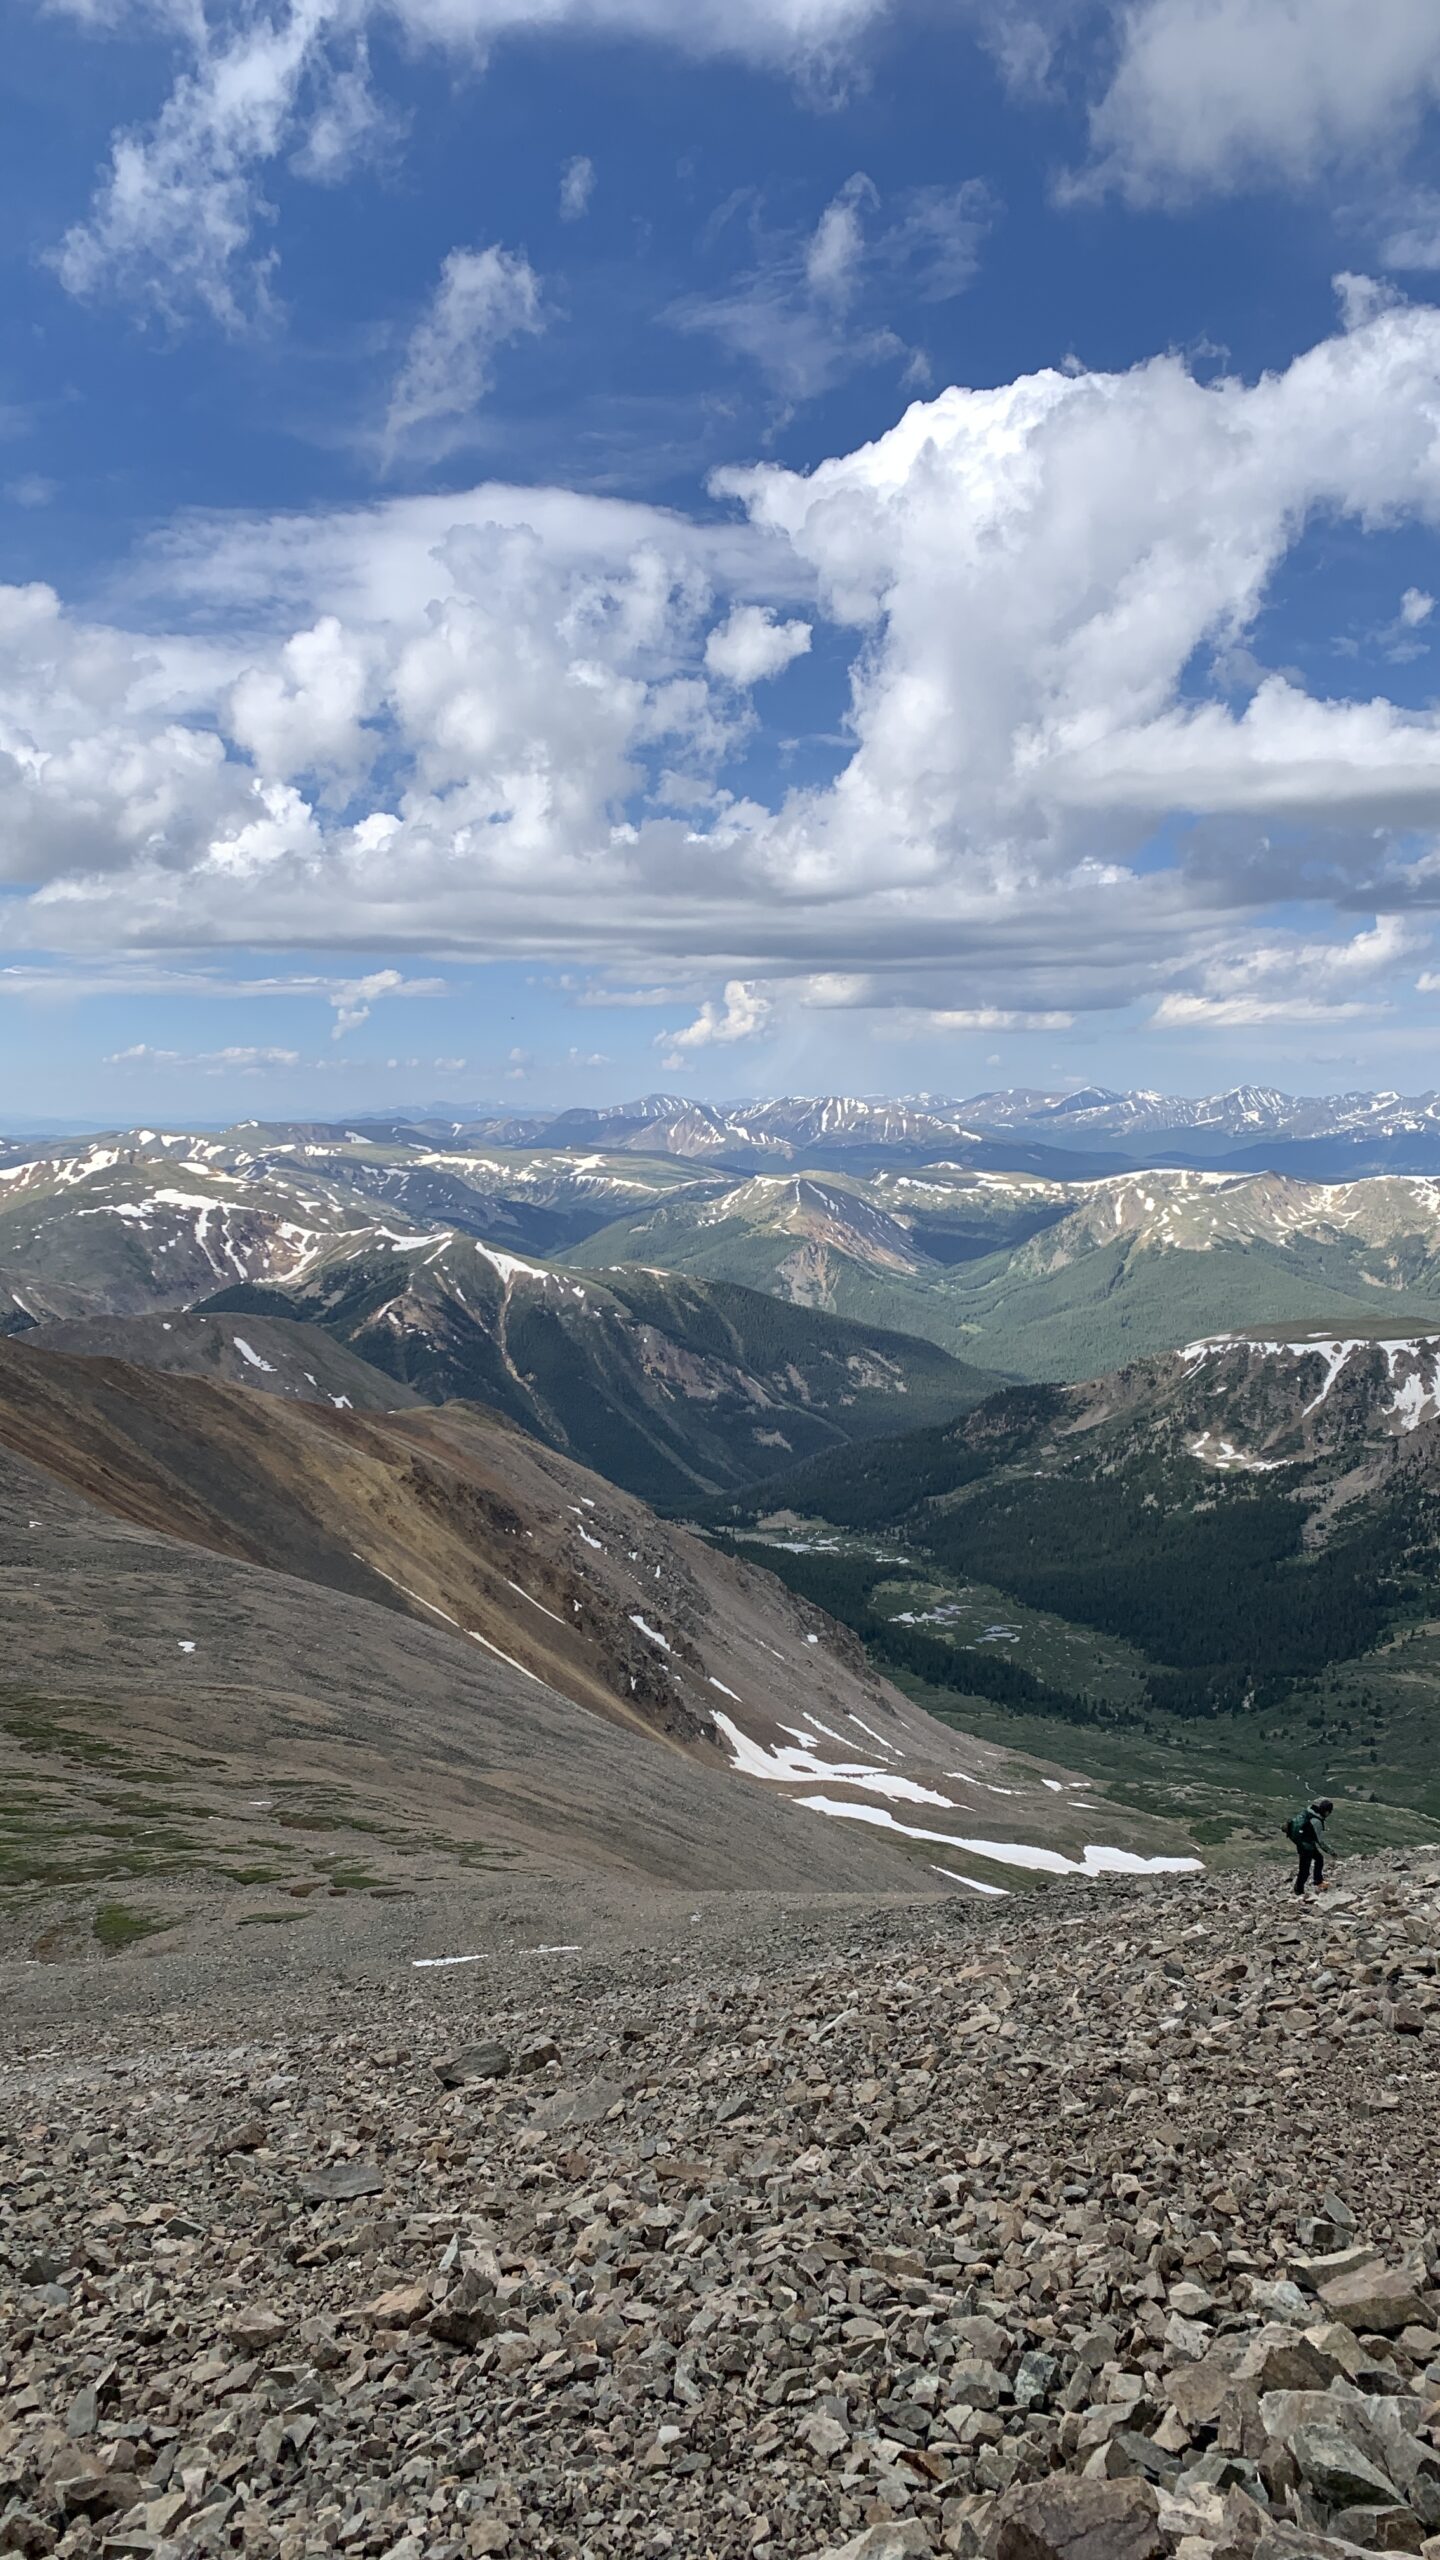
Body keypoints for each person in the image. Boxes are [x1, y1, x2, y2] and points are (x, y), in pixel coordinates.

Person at [1288, 1797, 1334, 1896]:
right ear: (1327, 1812)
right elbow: (1320, 1841)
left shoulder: (1310, 1812)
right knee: (1305, 1870)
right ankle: (1299, 1891)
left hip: (1303, 1842)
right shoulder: (1316, 1821)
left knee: (1319, 1858)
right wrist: (1331, 1851)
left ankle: (1317, 1881)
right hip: (1306, 1846)